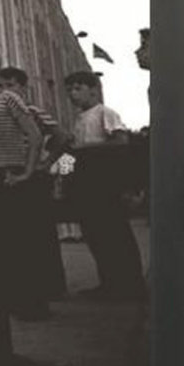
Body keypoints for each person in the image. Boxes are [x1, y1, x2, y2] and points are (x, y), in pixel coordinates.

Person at [64, 70, 146, 302]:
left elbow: (121, 141)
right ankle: (109, 283)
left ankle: (131, 284)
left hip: (104, 184)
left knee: (115, 235)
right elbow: (71, 153)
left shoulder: (104, 113)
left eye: (78, 88)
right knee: (96, 236)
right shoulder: (79, 119)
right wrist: (59, 173)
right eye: (69, 90)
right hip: (85, 185)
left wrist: (85, 150)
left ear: (93, 89)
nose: (72, 94)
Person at [0, 68, 65, 311]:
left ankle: (49, 288)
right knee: (32, 235)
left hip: (34, 176)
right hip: (23, 173)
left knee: (39, 234)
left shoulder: (32, 111)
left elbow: (64, 139)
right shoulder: (5, 108)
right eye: (1, 85)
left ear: (23, 87)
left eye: (10, 84)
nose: (5, 90)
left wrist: (47, 165)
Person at [0, 57, 48, 320]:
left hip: (13, 172)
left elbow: (35, 136)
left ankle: (30, 302)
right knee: (1, 241)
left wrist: (28, 171)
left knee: (21, 241)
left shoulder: (9, 98)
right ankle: (8, 297)